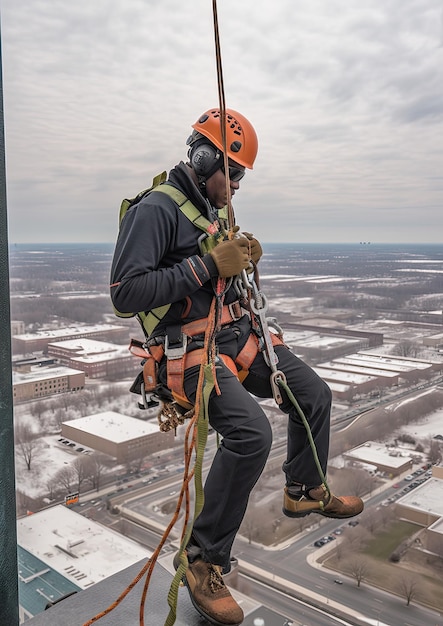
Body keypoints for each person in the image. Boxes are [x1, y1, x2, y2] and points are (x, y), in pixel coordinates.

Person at [110, 108, 364, 626]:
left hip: (234, 332)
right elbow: (125, 293)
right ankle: (204, 560)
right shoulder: (157, 210)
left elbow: (219, 275)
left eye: (244, 175)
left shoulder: (212, 209)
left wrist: (242, 257)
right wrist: (208, 265)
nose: (240, 185)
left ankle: (303, 489)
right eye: (236, 172)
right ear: (205, 160)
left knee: (313, 394)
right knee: (251, 435)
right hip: (188, 347)